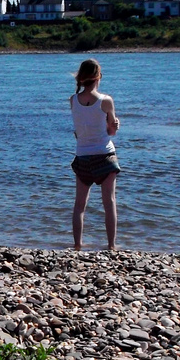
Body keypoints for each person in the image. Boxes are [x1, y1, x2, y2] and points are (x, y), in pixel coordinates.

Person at [69, 57, 120, 250]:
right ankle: (111, 246)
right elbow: (111, 132)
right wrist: (116, 125)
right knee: (109, 202)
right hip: (104, 156)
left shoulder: (73, 100)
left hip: (82, 156)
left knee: (79, 205)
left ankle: (77, 245)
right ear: (98, 76)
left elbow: (80, 130)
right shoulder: (106, 101)